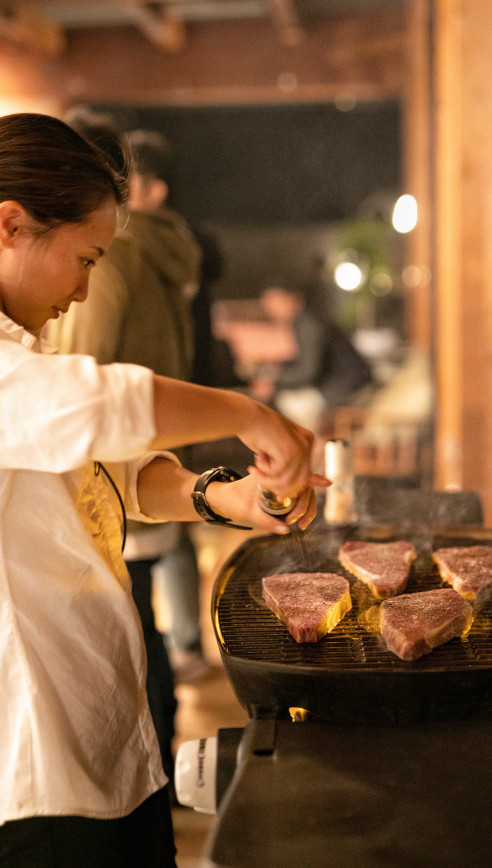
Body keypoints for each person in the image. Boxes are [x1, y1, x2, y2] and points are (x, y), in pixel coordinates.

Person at [0, 112, 325, 866]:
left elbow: (110, 470)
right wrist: (252, 414)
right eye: (83, 259)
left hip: (106, 741)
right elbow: (93, 406)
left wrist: (225, 497)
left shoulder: (25, 350)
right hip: (33, 778)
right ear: (10, 224)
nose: (83, 291)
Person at [48, 116, 206, 792]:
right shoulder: (169, 244)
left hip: (113, 466)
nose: (80, 283)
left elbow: (81, 371)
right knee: (145, 623)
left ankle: (152, 770)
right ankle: (160, 766)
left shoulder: (117, 252)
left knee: (131, 628)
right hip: (147, 448)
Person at [253, 284, 374, 432]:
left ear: (290, 297)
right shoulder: (304, 320)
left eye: (272, 303)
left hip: (349, 387)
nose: (270, 310)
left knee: (289, 402)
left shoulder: (309, 324)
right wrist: (280, 367)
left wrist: (275, 383)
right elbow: (308, 362)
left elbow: (308, 372)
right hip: (343, 382)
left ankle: (312, 447)